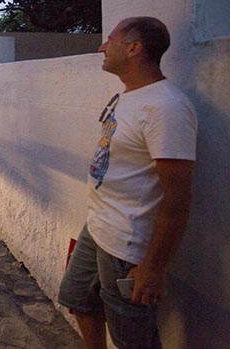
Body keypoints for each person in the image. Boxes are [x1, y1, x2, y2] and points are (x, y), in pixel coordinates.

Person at [57, 17, 197, 349]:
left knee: (132, 339)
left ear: (134, 48)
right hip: (100, 228)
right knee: (78, 299)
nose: (102, 47)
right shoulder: (130, 96)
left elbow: (178, 197)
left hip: (128, 246)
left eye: (111, 41)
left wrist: (152, 268)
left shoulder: (166, 108)